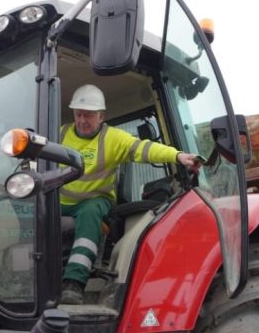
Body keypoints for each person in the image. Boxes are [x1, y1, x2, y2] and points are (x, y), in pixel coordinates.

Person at [60, 84, 199, 305]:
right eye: (78, 114)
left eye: (88, 115)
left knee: (91, 211)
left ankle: (74, 283)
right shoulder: (61, 133)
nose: (82, 120)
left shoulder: (113, 138)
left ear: (101, 116)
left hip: (94, 201)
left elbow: (144, 149)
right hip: (60, 202)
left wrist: (178, 156)